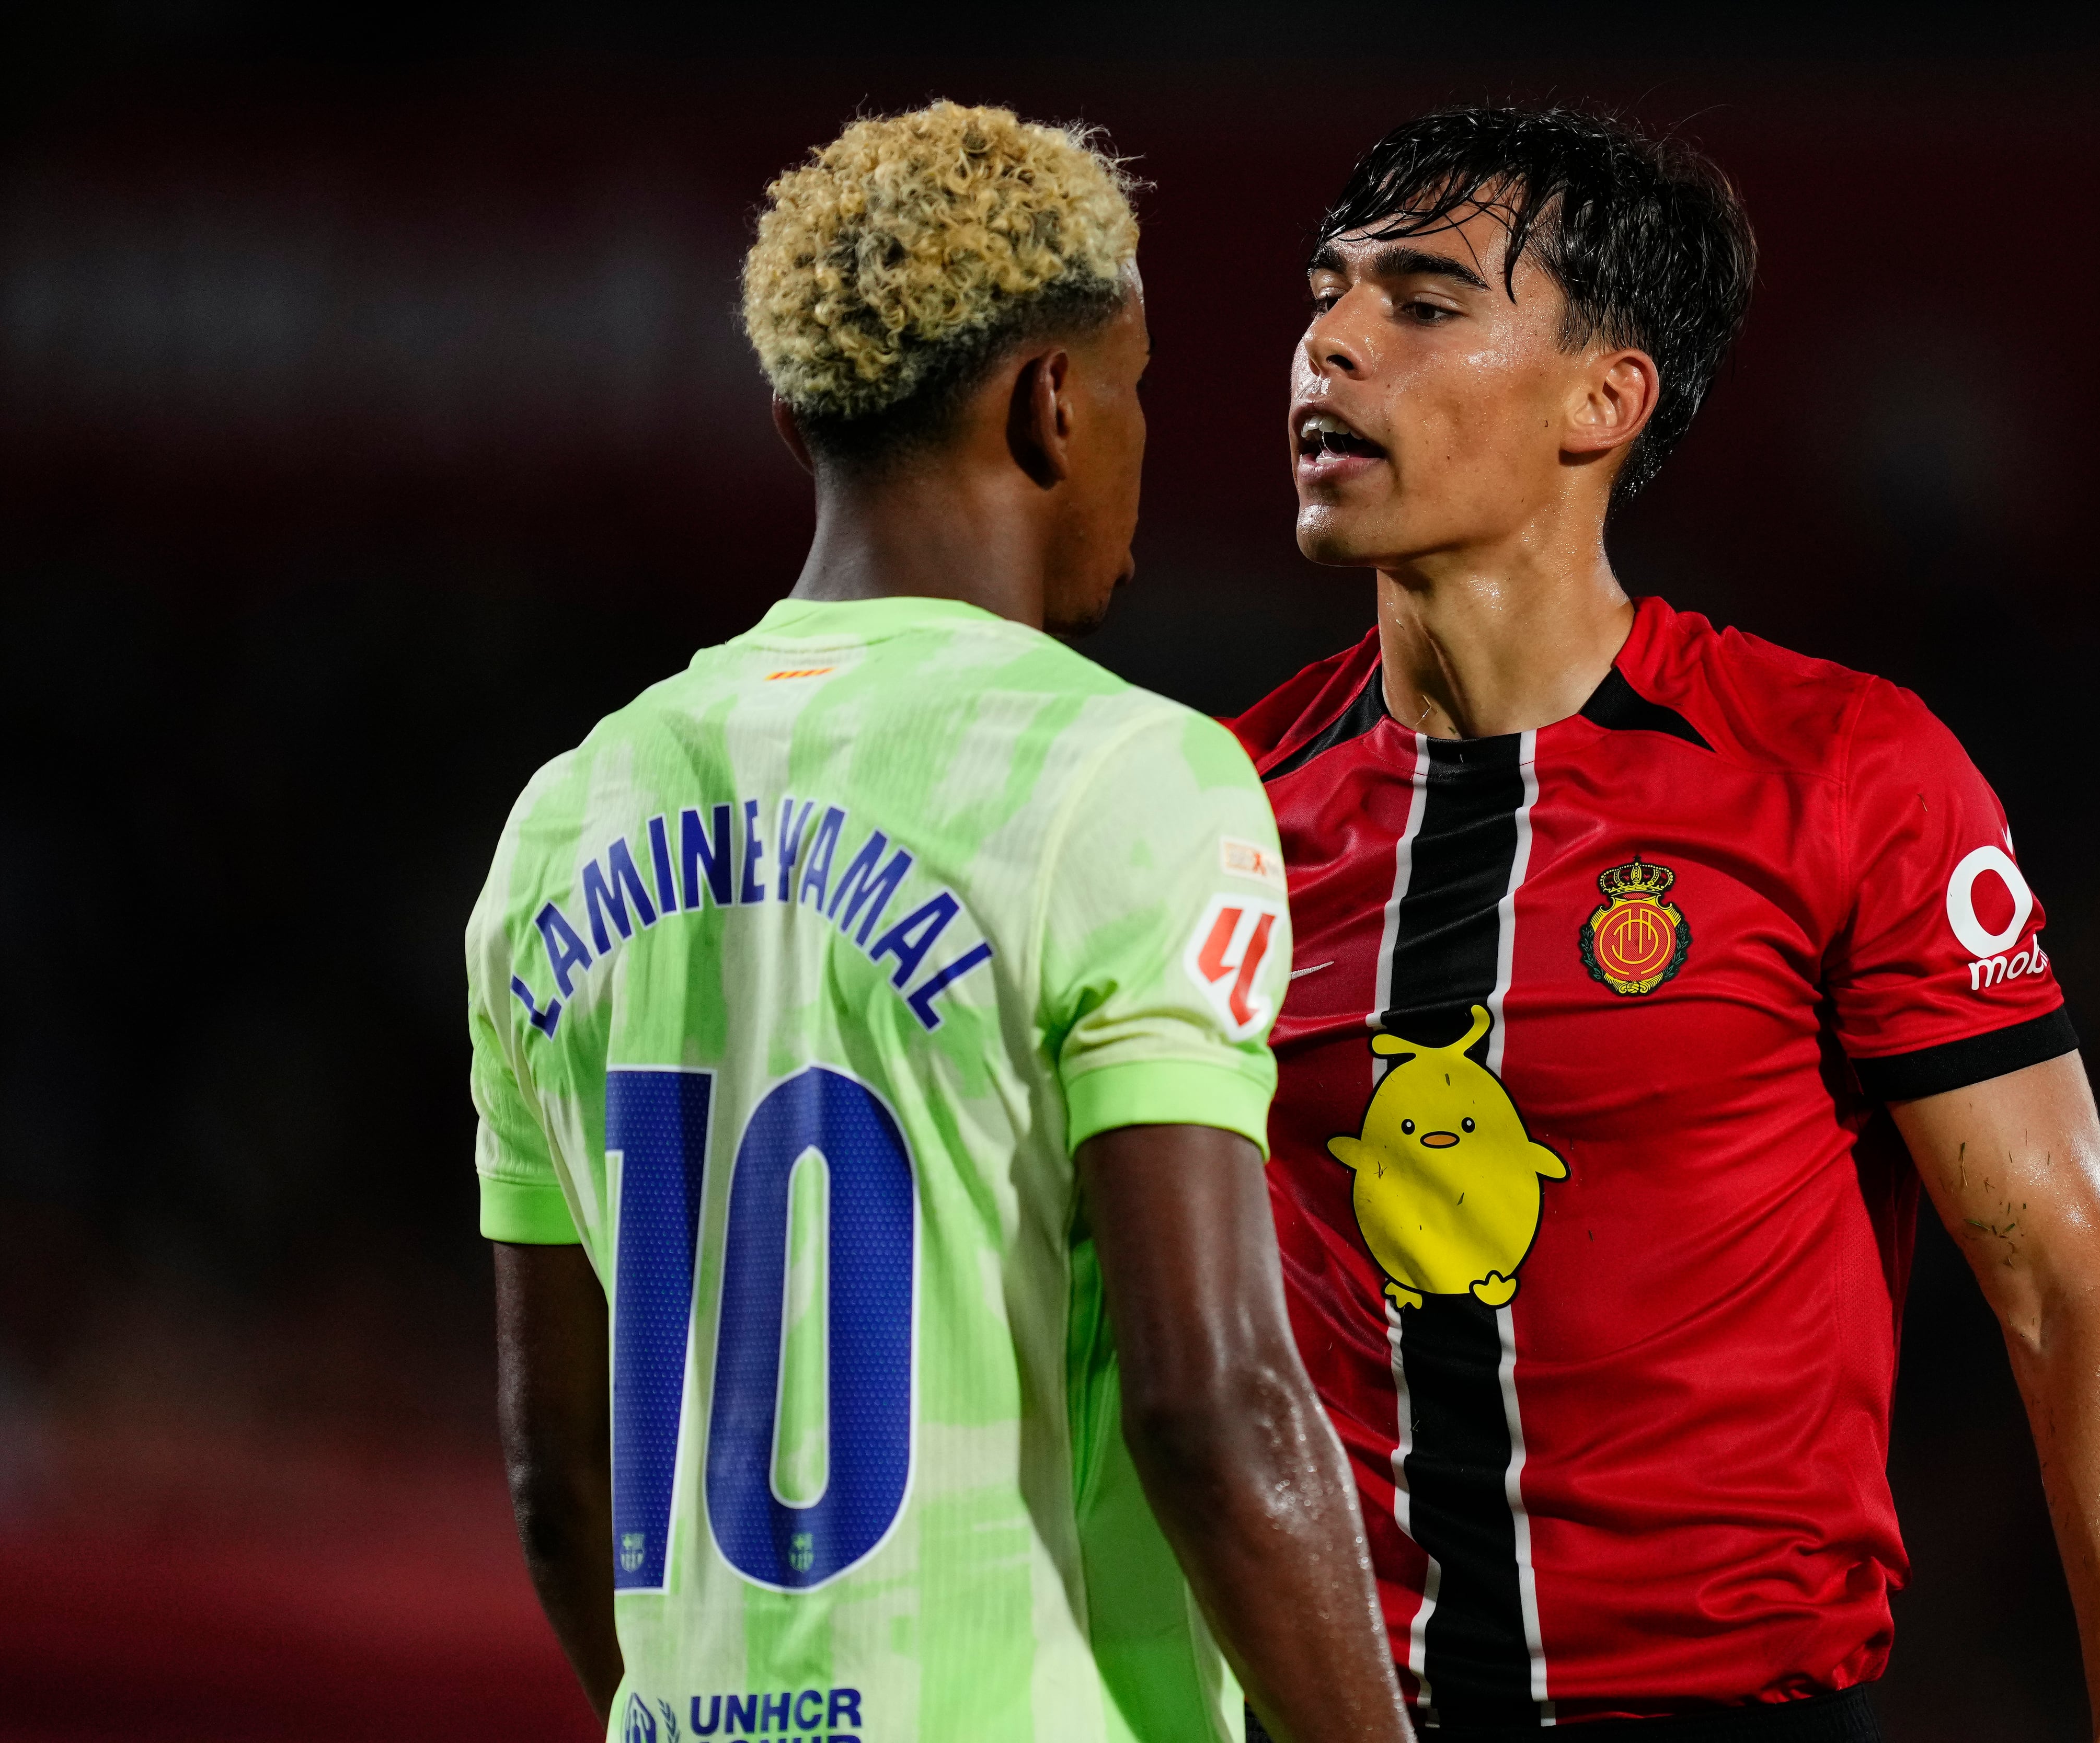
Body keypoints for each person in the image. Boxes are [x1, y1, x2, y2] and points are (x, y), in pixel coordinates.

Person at [1230, 107, 2100, 1741]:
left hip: (1733, 1709)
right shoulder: (1225, 803)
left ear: (1604, 399)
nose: (1332, 341)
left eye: (1425, 300)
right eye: (1328, 293)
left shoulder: (1842, 771)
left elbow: (2074, 1287)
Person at [466, 101, 1411, 1743]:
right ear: (1053, 403)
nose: (1138, 440)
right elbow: (1214, 1407)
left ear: (794, 424)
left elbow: (563, 1481)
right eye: (1135, 391)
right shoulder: (1127, 778)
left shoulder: (564, 820)